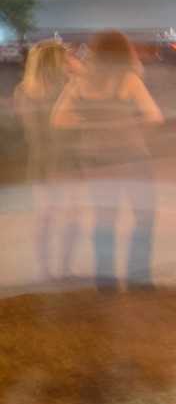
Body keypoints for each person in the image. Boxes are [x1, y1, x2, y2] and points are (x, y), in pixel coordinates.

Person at [51, 33, 163, 290]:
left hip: (93, 158)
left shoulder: (79, 83)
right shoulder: (128, 79)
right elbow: (154, 116)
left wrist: (89, 123)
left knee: (104, 217)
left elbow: (58, 119)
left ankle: (105, 280)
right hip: (131, 155)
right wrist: (128, 125)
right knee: (144, 216)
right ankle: (139, 279)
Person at [12, 39, 77, 283]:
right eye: (64, 58)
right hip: (64, 159)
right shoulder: (66, 88)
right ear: (55, 62)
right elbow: (69, 125)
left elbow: (27, 128)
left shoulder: (22, 90)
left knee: (45, 218)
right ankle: (65, 267)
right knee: (72, 216)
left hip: (38, 158)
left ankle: (44, 269)